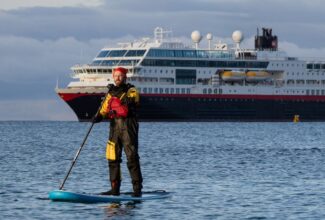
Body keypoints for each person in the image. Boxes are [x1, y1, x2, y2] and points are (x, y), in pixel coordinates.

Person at [94, 67, 143, 197]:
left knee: (132, 158)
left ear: (125, 77)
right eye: (115, 76)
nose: (117, 78)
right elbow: (104, 110)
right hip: (114, 127)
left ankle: (137, 190)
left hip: (128, 127)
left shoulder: (131, 90)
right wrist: (98, 117)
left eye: (120, 76)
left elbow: (135, 99)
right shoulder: (110, 94)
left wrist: (130, 100)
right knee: (112, 158)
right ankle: (115, 189)